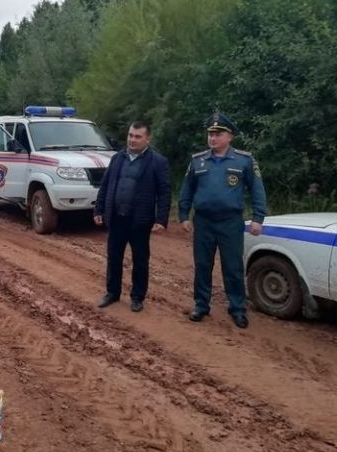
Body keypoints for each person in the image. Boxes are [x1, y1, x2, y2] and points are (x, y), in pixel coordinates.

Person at [178, 112, 266, 328]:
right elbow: (186, 189)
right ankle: (201, 305)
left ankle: (237, 308)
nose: (212, 138)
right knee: (202, 265)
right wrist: (183, 215)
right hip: (204, 221)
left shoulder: (244, 160)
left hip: (230, 222)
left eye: (218, 134)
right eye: (210, 134)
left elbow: (257, 189)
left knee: (233, 266)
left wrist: (258, 217)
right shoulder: (198, 160)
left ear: (230, 136)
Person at [94, 122, 172, 312]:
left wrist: (161, 219)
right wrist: (99, 209)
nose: (132, 139)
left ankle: (137, 297)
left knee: (140, 260)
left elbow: (164, 192)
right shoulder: (117, 158)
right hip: (116, 217)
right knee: (114, 258)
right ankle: (112, 293)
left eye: (137, 136)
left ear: (147, 139)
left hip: (140, 220)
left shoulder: (158, 162)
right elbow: (105, 185)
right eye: (130, 135)